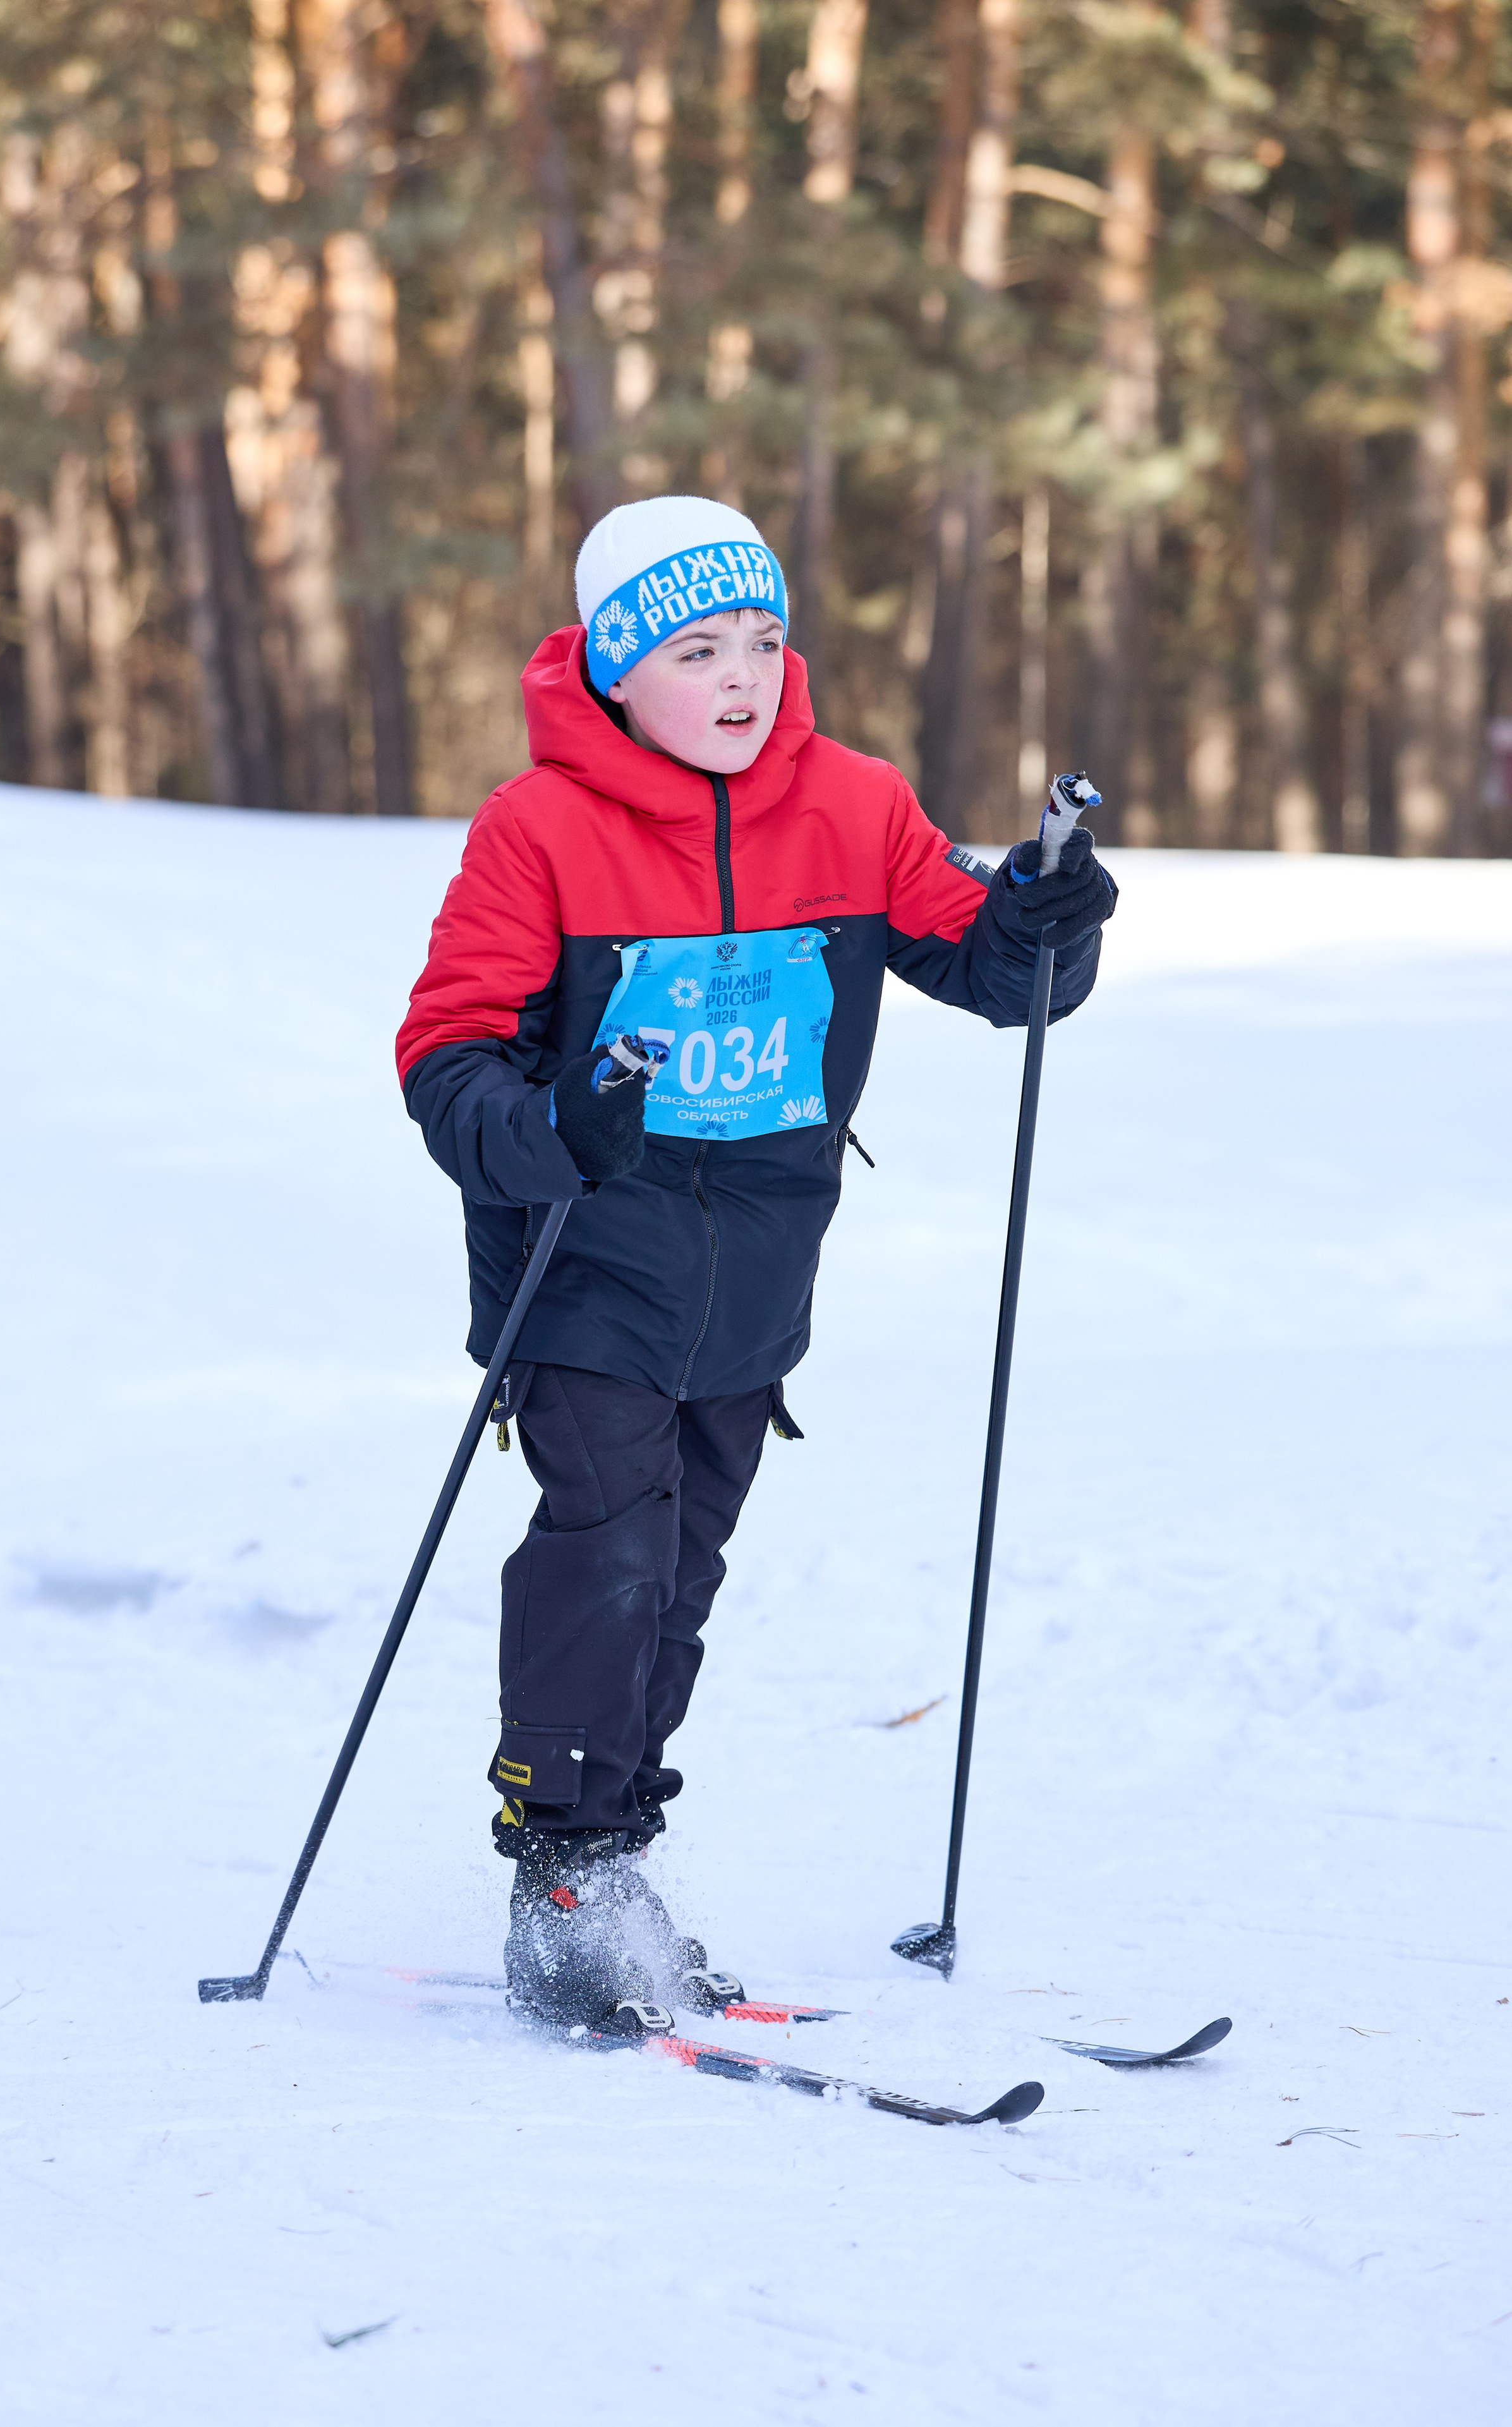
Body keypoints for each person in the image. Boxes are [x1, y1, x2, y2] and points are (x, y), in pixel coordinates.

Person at [396, 495, 1115, 2032]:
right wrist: (555, 1129)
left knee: (685, 1569)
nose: (739, 677)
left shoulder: (851, 806)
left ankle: (616, 1852)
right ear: (610, 667)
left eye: (764, 642)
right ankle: (567, 1873)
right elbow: (447, 1061)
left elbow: (991, 969)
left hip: (759, 1274)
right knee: (610, 1542)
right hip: (583, 1259)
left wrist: (1046, 914)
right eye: (696, 647)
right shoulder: (541, 830)